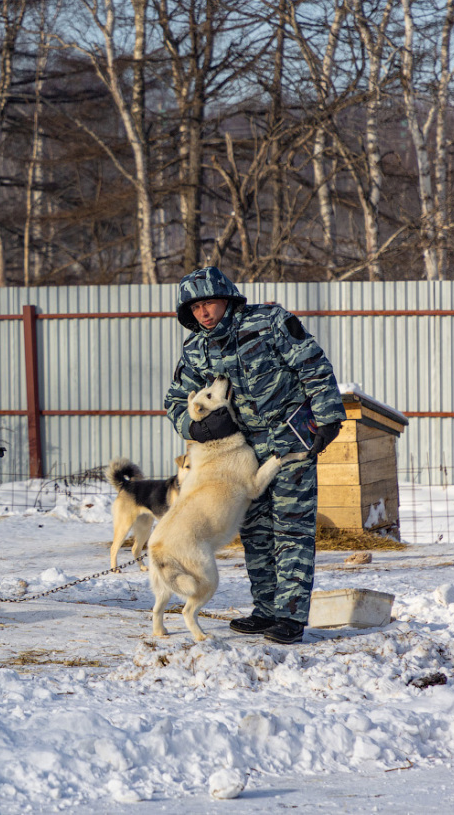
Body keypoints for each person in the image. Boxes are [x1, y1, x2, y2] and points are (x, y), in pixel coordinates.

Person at [163, 267, 346, 644]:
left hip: (291, 440)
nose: (203, 313)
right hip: (239, 456)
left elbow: (313, 367)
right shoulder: (197, 348)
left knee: (291, 529)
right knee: (256, 532)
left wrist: (328, 418)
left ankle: (291, 617)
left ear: (227, 298)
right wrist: (193, 428)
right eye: (195, 308)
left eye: (208, 303)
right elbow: (174, 402)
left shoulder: (270, 322)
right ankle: (265, 610)